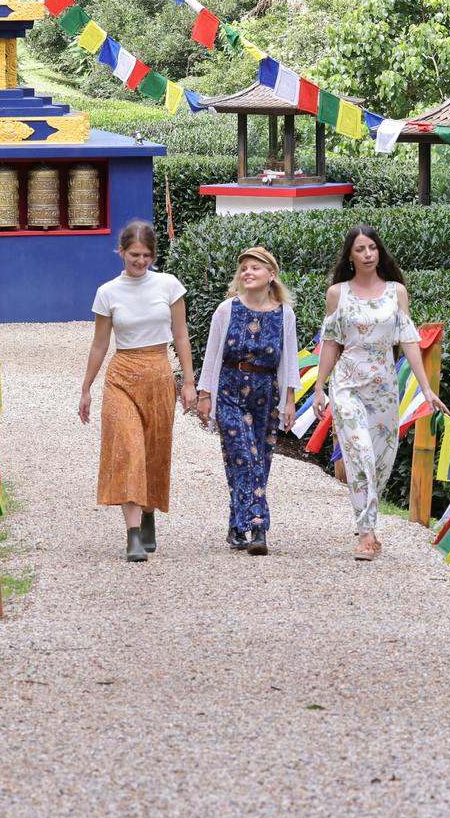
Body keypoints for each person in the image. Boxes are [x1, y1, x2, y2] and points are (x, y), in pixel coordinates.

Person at [316, 225, 439, 561]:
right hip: (347, 386)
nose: (368, 254)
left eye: (372, 248)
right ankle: (367, 533)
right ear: (350, 256)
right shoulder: (337, 293)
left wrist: (426, 388)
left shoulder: (396, 291)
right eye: (360, 249)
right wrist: (319, 387)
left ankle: (365, 518)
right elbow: (330, 342)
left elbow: (408, 339)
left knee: (382, 461)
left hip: (384, 387)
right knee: (360, 453)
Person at [80, 220, 193, 562]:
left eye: (145, 255)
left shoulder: (169, 286)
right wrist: (86, 388)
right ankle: (132, 535)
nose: (140, 261)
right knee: (128, 449)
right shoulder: (108, 292)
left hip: (159, 373)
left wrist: (188, 382)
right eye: (134, 255)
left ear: (153, 255)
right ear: (121, 252)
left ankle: (148, 515)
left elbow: (182, 335)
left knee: (153, 451)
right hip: (122, 375)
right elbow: (100, 344)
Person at [194, 247, 299, 555]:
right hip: (229, 389)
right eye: (244, 269)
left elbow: (289, 359)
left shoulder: (284, 314)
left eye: (255, 268)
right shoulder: (227, 310)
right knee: (244, 454)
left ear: (271, 274)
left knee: (259, 460)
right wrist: (205, 395)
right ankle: (257, 526)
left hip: (266, 393)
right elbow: (212, 355)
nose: (248, 273)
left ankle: (237, 525)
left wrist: (289, 402)